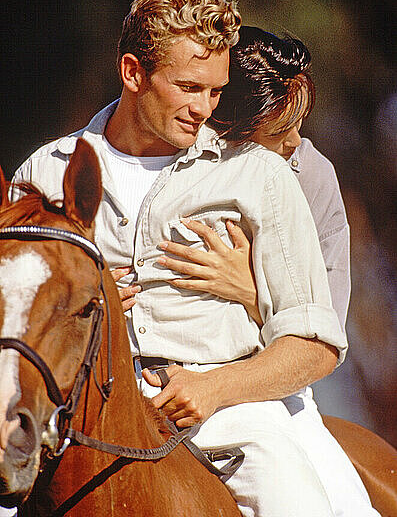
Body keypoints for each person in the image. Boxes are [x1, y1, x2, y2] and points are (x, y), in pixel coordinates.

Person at [12, 0, 362, 516]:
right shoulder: (44, 172)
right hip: (73, 419)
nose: (205, 109)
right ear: (133, 73)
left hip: (233, 422)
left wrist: (215, 387)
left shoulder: (259, 174)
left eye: (216, 91)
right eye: (189, 88)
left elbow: (314, 343)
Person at [151, 26, 378, 516]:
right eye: (279, 131)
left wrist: (251, 291)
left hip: (271, 389)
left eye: (301, 123)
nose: (297, 141)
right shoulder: (175, 159)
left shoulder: (313, 175)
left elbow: (327, 327)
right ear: (230, 127)